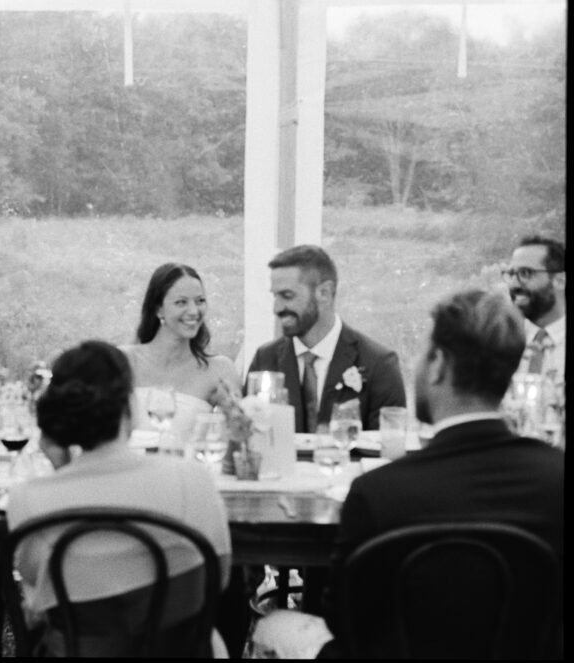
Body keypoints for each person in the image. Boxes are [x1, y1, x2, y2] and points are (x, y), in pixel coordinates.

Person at [251, 289, 564, 658]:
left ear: (438, 365)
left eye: (422, 353)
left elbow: (342, 620)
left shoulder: (378, 493)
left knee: (272, 626)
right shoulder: (556, 478)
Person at [7, 340, 233, 657]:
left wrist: (62, 466)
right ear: (129, 404)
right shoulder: (192, 479)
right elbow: (218, 580)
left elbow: (41, 587)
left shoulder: (28, 499)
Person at [245, 245, 406, 432]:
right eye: (275, 296)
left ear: (324, 293)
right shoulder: (265, 359)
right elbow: (247, 436)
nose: (277, 308)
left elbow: (389, 445)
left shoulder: (379, 364)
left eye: (287, 296)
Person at [120, 263, 239, 439]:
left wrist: (231, 410)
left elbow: (239, 435)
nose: (194, 311)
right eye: (181, 302)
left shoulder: (219, 370)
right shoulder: (124, 361)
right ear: (158, 309)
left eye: (200, 301)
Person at [504, 235, 565, 380]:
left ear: (560, 281)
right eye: (511, 274)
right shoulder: (502, 341)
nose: (514, 284)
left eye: (525, 273)